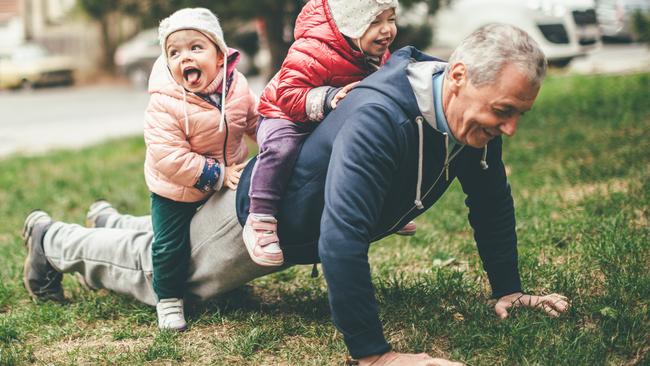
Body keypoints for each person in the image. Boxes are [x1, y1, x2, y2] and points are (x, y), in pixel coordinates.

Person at [22, 24, 569, 365]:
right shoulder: (383, 116)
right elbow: (341, 236)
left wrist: (509, 289)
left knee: (170, 241)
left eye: (519, 113)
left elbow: (491, 201)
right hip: (254, 221)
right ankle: (53, 241)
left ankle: (115, 221)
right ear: (457, 77)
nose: (511, 128)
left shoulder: (466, 121)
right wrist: (374, 355)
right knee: (158, 273)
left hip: (283, 218)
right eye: (503, 111)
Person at [244, 0, 417, 267]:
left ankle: (384, 204)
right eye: (374, 22)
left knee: (370, 144)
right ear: (349, 24)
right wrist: (328, 98)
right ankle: (260, 217)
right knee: (282, 149)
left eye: (391, 19)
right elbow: (287, 94)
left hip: (328, 116)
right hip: (284, 113)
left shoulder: (373, 51)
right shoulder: (312, 48)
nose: (386, 31)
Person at [141, 8, 257, 331]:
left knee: (226, 231)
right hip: (174, 187)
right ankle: (168, 299)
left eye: (196, 48)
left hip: (225, 174)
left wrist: (274, 136)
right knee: (170, 244)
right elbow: (169, 156)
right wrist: (219, 175)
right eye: (174, 52)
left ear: (220, 55)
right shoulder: (165, 102)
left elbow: (253, 119)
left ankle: (230, 280)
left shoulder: (236, 87)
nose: (184, 58)